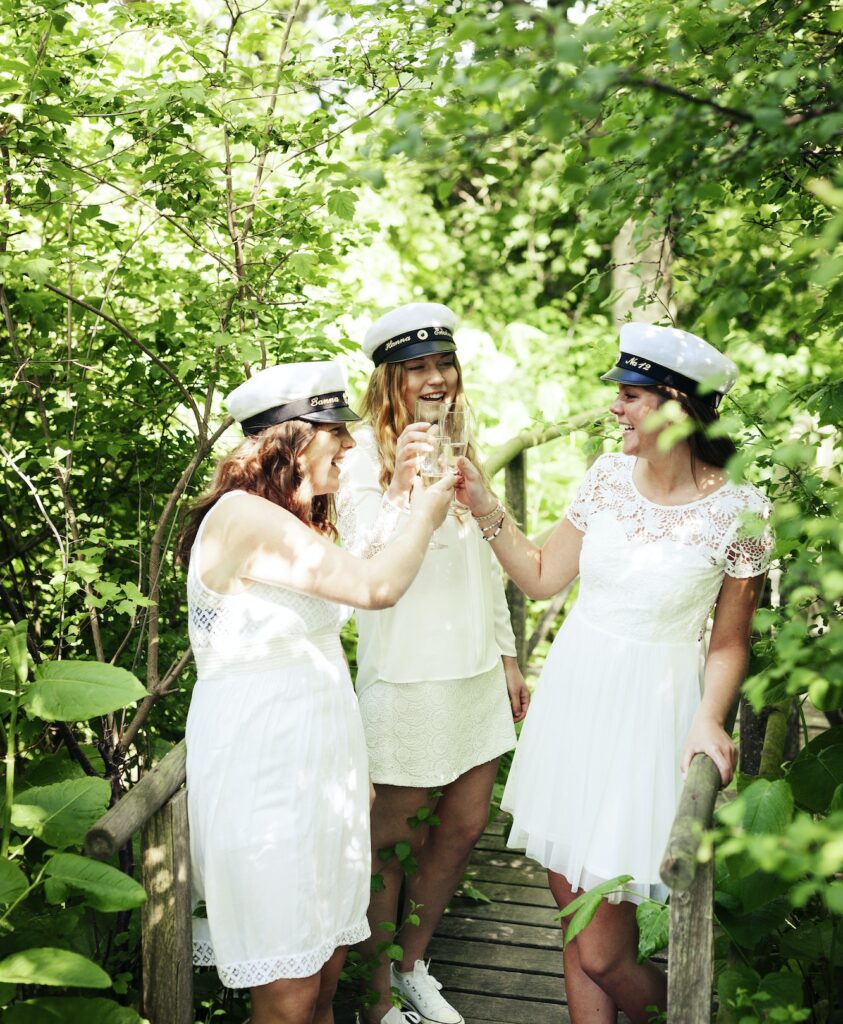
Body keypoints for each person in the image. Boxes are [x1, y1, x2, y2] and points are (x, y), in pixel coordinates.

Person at [456, 323, 774, 1024]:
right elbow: (541, 577)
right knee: (576, 924)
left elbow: (728, 641)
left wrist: (708, 717)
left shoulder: (739, 512)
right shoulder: (603, 478)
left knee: (604, 952)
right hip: (572, 708)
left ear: (676, 406)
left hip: (648, 719)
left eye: (629, 395)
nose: (615, 409)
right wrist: (483, 506)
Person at [177, 360, 454, 1024]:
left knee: (326, 976)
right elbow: (373, 588)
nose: (350, 445)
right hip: (262, 774)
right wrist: (429, 513)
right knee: (290, 993)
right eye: (335, 431)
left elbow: (350, 572)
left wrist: (403, 499)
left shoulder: (287, 524)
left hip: (319, 774)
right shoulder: (243, 515)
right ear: (290, 439)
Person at [336, 303, 530, 1024]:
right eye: (416, 368)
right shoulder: (356, 452)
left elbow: (482, 561)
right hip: (405, 674)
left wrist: (507, 656)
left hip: (475, 668)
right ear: (389, 379)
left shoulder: (461, 442)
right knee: (394, 839)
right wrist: (398, 489)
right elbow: (357, 565)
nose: (436, 379)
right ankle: (378, 995)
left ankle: (414, 964)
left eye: (442, 364)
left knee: (464, 825)